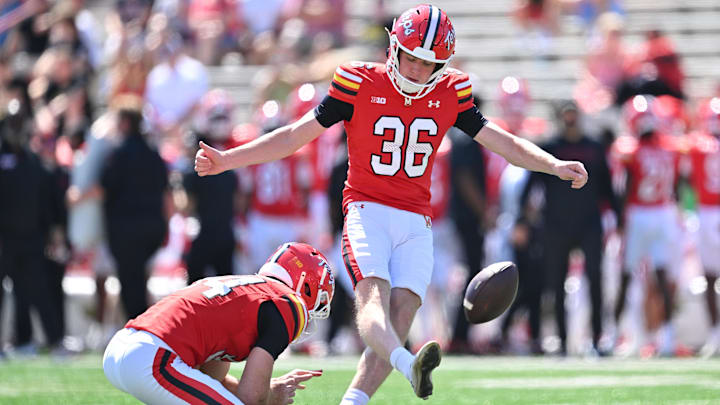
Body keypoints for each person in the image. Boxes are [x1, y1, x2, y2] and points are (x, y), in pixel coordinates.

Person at [195, 5, 588, 401]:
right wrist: (228, 159)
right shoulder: (358, 81)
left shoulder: (451, 91)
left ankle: (356, 398)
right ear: (393, 48)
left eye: (429, 62)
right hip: (367, 211)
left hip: (417, 218)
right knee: (373, 301)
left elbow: (502, 142)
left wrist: (553, 164)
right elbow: (295, 136)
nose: (417, 69)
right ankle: (407, 363)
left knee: (402, 314)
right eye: (411, 57)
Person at [103, 241, 334, 404]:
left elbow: (211, 378)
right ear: (305, 283)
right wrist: (270, 396)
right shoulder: (285, 303)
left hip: (125, 346)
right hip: (154, 357)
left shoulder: (244, 290)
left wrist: (268, 389)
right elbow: (251, 398)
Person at [520, 100, 622, 356]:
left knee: (596, 279)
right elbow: (532, 186)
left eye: (573, 115)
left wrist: (619, 220)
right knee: (555, 284)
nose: (570, 121)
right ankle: (563, 340)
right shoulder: (550, 148)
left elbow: (608, 188)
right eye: (566, 116)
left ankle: (598, 337)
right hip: (556, 223)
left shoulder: (594, 147)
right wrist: (523, 220)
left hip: (588, 223)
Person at [612, 95, 682, 357]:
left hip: (639, 213)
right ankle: (667, 336)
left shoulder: (631, 149)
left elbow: (625, 188)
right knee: (662, 277)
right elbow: (674, 186)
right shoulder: (669, 148)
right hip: (663, 212)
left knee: (627, 276)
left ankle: (615, 333)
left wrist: (620, 221)